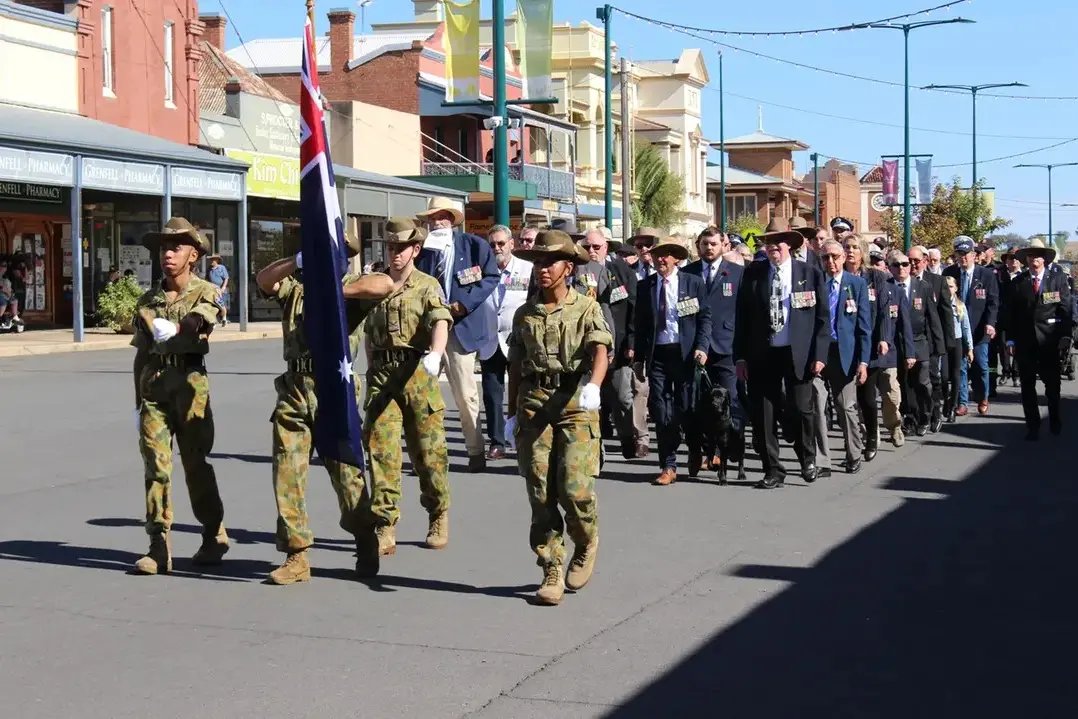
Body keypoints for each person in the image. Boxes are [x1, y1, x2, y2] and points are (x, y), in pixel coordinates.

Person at [254, 234, 395, 585]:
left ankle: (364, 537)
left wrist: (337, 291)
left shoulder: (352, 287)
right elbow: (264, 280)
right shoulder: (297, 287)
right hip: (294, 389)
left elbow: (386, 284)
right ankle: (296, 554)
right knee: (288, 475)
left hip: (334, 391)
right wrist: (296, 261)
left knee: (347, 476)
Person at [505, 229, 611, 606]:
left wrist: (595, 386)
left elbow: (600, 349)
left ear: (569, 266)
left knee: (575, 489)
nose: (543, 269)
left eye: (550, 262)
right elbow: (515, 365)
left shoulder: (586, 307)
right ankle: (551, 564)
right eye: (538, 263)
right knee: (540, 492)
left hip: (574, 403)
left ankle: (585, 539)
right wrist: (510, 409)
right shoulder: (524, 313)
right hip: (534, 404)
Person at [129, 217, 229, 575]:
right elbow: (141, 351)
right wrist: (136, 400)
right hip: (154, 385)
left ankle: (213, 532)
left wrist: (177, 328)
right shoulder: (148, 299)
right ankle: (158, 545)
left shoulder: (206, 291)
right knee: (156, 466)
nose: (167, 254)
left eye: (176, 247)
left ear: (193, 254)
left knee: (194, 465)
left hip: (190, 386)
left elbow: (200, 321)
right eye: (163, 248)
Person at [364, 218, 454, 556]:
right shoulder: (376, 283)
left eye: (402, 248)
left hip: (417, 373)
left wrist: (436, 353)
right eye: (391, 247)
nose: (396, 254)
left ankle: (438, 511)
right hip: (383, 378)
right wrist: (372, 368)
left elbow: (441, 319)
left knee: (428, 454)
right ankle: (385, 523)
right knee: (381, 452)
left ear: (415, 249)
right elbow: (370, 333)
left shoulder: (426, 285)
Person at [734, 221, 830, 489]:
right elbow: (742, 318)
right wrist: (740, 357)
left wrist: (819, 355)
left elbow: (823, 319)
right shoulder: (753, 273)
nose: (773, 246)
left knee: (802, 409)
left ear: (789, 245)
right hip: (762, 353)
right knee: (764, 414)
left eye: (779, 241)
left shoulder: (809, 273)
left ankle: (808, 459)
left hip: (798, 353)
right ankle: (773, 469)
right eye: (769, 242)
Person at [415, 197, 499, 472]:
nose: (436, 222)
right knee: (422, 395)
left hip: (460, 329)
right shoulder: (423, 252)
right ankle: (426, 456)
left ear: (451, 220)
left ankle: (475, 451)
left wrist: (465, 303)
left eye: (441, 217)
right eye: (431, 218)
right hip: (428, 330)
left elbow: (491, 276)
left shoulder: (473, 246)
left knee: (465, 395)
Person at [634, 237, 711, 485]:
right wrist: (638, 358)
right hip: (659, 355)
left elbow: (704, 318)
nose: (661, 259)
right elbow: (641, 325)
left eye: (666, 255)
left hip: (686, 354)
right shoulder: (646, 286)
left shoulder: (693, 283)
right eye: (657, 255)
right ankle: (668, 464)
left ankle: (695, 448)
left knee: (688, 408)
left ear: (676, 258)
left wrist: (702, 347)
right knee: (661, 410)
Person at [844, 234, 913, 455]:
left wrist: (884, 338)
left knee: (869, 396)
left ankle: (874, 436)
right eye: (847, 247)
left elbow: (885, 311)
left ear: (862, 252)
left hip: (872, 345)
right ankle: (858, 436)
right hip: (846, 344)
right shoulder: (837, 276)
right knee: (848, 398)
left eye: (855, 247)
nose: (850, 251)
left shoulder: (876, 277)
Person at [682, 227, 742, 474]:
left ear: (724, 245)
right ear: (698, 246)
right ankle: (698, 450)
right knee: (694, 405)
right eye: (704, 243)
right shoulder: (687, 273)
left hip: (726, 347)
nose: (709, 248)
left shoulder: (737, 273)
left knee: (729, 403)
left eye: (714, 244)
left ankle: (724, 452)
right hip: (695, 349)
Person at [1004, 239, 1074, 439]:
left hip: (1050, 341)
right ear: (1026, 259)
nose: (1034, 260)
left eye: (1038, 256)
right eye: (1031, 256)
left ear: (1044, 259)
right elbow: (1011, 314)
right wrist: (1010, 340)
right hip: (1025, 342)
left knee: (1052, 385)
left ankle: (1054, 419)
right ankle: (1032, 426)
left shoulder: (1056, 280)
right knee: (1027, 385)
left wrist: (1065, 336)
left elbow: (1066, 309)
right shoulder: (1018, 282)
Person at [477, 224, 532, 460]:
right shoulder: (480, 271)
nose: (497, 248)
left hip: (518, 341)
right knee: (491, 394)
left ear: (512, 244)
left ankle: (522, 439)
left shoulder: (527, 270)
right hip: (490, 340)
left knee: (521, 394)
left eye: (501, 243)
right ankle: (497, 442)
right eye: (492, 244)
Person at [584, 227, 639, 461]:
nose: (591, 251)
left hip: (618, 345)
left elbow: (634, 308)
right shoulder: (575, 271)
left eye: (596, 247)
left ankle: (628, 438)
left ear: (606, 247)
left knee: (622, 397)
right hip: (586, 348)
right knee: (589, 398)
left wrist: (632, 342)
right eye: (587, 247)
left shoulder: (621, 271)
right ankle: (596, 450)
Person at [819, 239, 872, 474]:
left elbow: (864, 327)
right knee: (817, 405)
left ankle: (854, 453)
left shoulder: (856, 284)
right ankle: (822, 460)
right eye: (825, 257)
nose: (830, 262)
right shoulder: (815, 282)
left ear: (843, 258)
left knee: (845, 406)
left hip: (846, 354)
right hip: (819, 354)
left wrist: (863, 362)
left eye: (835, 256)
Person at [943, 236, 999, 416]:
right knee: (960, 367)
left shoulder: (987, 275)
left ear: (974, 255)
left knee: (981, 365)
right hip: (958, 329)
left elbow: (993, 302)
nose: (963, 258)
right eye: (959, 254)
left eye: (966, 254)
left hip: (979, 329)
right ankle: (962, 402)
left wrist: (990, 324)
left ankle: (983, 396)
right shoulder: (950, 273)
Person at [890, 250, 943, 436]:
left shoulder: (923, 287)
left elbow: (932, 318)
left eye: (907, 263)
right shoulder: (888, 287)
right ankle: (910, 420)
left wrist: (939, 347)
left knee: (922, 383)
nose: (905, 267)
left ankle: (927, 415)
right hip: (898, 344)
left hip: (920, 342)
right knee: (905, 385)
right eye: (898, 264)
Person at [909, 245, 954, 432]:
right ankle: (915, 417)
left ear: (925, 262)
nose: (912, 265)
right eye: (909, 261)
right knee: (913, 382)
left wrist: (947, 343)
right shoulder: (902, 281)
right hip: (912, 340)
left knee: (932, 380)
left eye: (916, 261)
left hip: (932, 340)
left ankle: (935, 413)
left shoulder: (937, 281)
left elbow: (945, 314)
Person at [626, 227, 662, 458]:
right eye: (640, 246)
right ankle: (642, 438)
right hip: (639, 338)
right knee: (639, 388)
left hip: (666, 340)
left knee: (662, 393)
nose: (645, 249)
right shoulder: (629, 273)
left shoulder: (674, 272)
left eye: (649, 244)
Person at [941, 275, 973, 423]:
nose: (948, 290)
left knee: (956, 375)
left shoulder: (960, 305)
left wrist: (970, 348)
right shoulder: (940, 304)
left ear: (956, 288)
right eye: (946, 287)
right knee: (944, 376)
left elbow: (966, 328)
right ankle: (945, 401)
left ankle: (953, 406)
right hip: (943, 342)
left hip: (957, 341)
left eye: (951, 287)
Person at [207, 254, 230, 327]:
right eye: (211, 260)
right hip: (212, 289)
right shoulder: (209, 269)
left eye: (213, 260)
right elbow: (207, 279)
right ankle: (214, 321)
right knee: (213, 305)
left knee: (222, 305)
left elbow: (226, 278)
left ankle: (224, 319)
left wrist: (223, 287)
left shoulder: (221, 268)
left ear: (217, 260)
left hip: (221, 290)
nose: (211, 261)